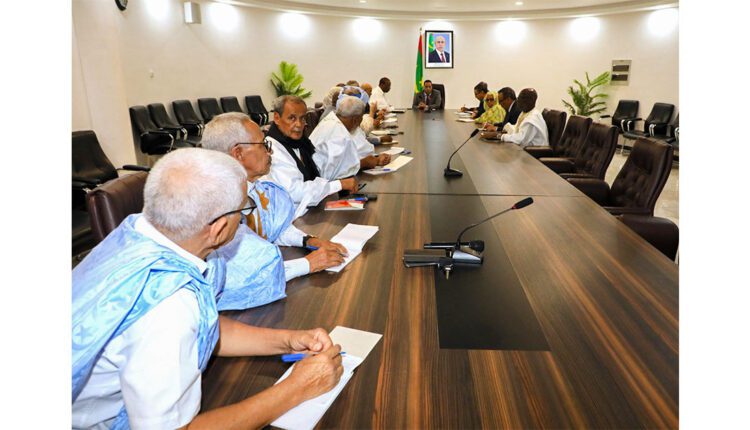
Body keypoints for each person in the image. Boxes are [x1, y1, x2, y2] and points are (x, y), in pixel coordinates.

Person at [72, 148, 344, 429]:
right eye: (244, 210)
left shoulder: (134, 235)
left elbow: (203, 324)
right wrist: (298, 388)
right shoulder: (168, 307)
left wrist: (287, 340)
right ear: (218, 229)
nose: (245, 218)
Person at [201, 113, 348, 309]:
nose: (270, 152)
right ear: (238, 153)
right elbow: (245, 278)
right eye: (263, 145)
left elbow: (272, 225)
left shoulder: (255, 184)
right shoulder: (216, 205)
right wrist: (307, 264)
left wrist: (308, 240)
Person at [264, 95, 358, 206]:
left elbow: (317, 172)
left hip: (310, 208)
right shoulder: (272, 149)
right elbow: (295, 192)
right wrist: (338, 185)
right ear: (276, 118)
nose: (299, 124)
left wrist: (339, 183)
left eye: (302, 118)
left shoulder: (300, 143)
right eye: (292, 118)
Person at [311, 96, 390, 179]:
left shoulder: (330, 121)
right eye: (361, 119)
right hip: (320, 179)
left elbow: (344, 159)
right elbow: (334, 173)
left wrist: (374, 159)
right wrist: (364, 163)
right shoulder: (340, 134)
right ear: (355, 120)